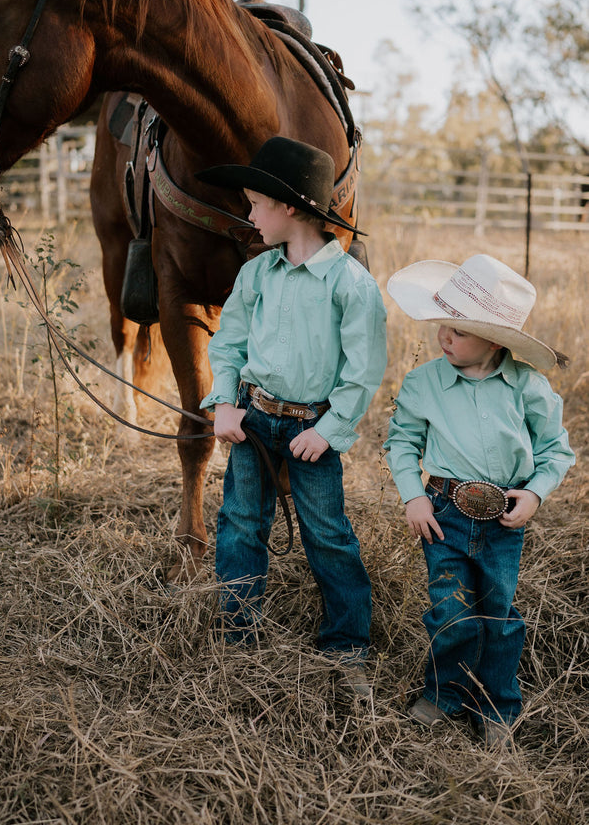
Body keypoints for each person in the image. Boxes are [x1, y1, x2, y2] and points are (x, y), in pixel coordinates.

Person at [196, 136, 387, 696]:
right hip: (254, 419)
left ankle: (347, 647)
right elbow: (228, 343)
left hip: (312, 429)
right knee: (239, 525)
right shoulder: (257, 275)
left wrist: (328, 432)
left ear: (291, 208)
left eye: (255, 203)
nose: (248, 214)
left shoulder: (352, 287)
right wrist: (226, 403)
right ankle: (239, 636)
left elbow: (362, 372)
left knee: (327, 535)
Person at [384, 254, 575, 745]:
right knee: (450, 610)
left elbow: (558, 450)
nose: (445, 337)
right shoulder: (424, 383)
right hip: (443, 512)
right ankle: (444, 693)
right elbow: (402, 441)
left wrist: (534, 494)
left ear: (494, 340)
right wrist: (413, 498)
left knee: (499, 613)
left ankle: (495, 706)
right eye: (443, 325)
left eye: (459, 331)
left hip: (503, 519)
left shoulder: (529, 387)